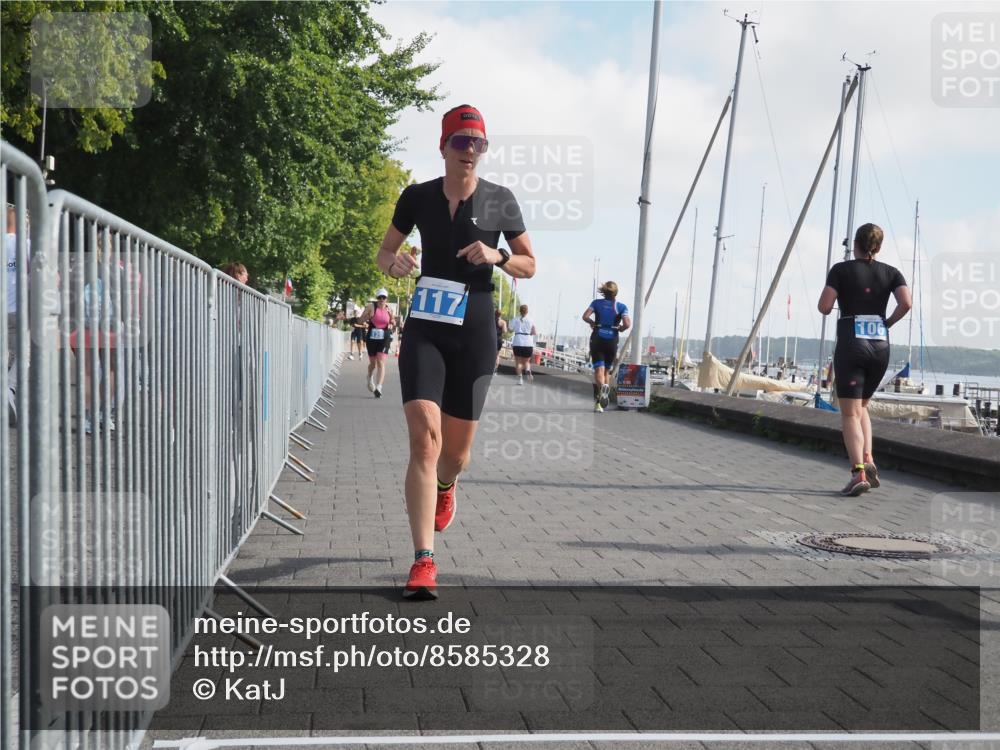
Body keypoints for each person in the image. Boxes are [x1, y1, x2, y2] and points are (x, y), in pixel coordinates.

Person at [376, 104, 535, 599]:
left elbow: (530, 264)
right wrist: (394, 263)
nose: (470, 151)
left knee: (456, 455)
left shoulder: (500, 200)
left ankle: (447, 487)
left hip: (476, 327)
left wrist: (499, 256)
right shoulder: (417, 196)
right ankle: (423, 560)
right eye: (461, 141)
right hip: (426, 324)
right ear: (443, 146)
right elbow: (385, 252)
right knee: (425, 440)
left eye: (478, 143)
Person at [818, 223, 911, 496]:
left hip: (852, 344)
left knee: (849, 412)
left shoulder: (841, 270)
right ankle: (868, 459)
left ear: (854, 244)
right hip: (881, 347)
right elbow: (906, 303)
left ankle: (858, 472)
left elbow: (824, 307)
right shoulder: (892, 273)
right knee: (862, 407)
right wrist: (888, 322)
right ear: (878, 247)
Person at [582, 281, 631, 412]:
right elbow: (627, 323)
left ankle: (601, 394)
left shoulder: (596, 303)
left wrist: (591, 322)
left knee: (598, 370)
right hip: (612, 340)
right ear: (616, 292)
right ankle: (600, 402)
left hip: (598, 337)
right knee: (606, 372)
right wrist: (621, 329)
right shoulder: (621, 307)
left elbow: (585, 316)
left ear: (604, 291)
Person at [360, 289, 394, 398]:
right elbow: (360, 321)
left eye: (384, 298)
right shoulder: (371, 307)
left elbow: (393, 321)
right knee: (373, 364)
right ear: (377, 298)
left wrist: (391, 324)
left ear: (386, 299)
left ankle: (379, 387)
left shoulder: (389, 309)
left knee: (381, 362)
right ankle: (369, 377)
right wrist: (365, 317)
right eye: (379, 297)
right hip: (372, 338)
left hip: (384, 337)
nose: (381, 300)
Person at [509, 304, 536, 385]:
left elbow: (510, 330)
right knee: (526, 361)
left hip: (517, 342)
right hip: (528, 343)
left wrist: (509, 323)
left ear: (519, 311)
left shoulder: (515, 319)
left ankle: (520, 379)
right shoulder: (531, 320)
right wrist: (528, 333)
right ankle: (527, 369)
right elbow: (534, 332)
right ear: (527, 311)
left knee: (518, 362)